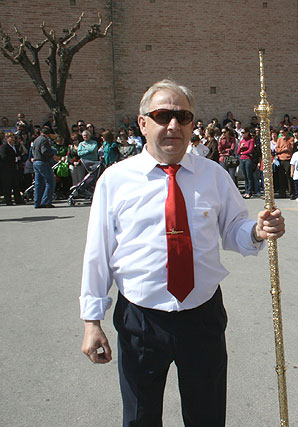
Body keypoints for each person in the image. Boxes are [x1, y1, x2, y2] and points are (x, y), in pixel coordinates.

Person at [79, 79, 285, 427]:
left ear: (193, 124)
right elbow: (98, 252)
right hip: (141, 320)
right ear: (143, 123)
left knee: (206, 417)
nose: (173, 125)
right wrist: (91, 320)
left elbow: (234, 229)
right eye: (162, 115)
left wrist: (256, 229)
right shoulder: (115, 181)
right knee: (140, 418)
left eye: (183, 116)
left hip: (201, 316)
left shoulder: (214, 176)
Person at [32, 126, 58, 209]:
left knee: (38, 183)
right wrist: (53, 156)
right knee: (50, 181)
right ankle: (46, 201)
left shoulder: (36, 140)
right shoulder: (44, 140)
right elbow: (45, 151)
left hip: (35, 161)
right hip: (42, 162)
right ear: (48, 134)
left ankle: (37, 202)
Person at [0, 132, 25, 205]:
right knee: (8, 185)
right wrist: (16, 159)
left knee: (16, 184)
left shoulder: (15, 146)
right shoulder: (4, 147)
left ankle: (18, 199)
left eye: (13, 137)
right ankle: (8, 200)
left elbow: (19, 154)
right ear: (7, 139)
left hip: (15, 168)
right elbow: (4, 157)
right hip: (7, 169)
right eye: (11, 137)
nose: (13, 139)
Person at [275, 127, 294, 198]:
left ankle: (291, 193)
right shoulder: (279, 139)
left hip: (288, 159)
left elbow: (290, 149)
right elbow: (277, 149)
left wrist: (286, 143)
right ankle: (282, 193)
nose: (281, 134)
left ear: (286, 132)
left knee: (289, 177)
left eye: (283, 132)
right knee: (281, 177)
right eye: (280, 133)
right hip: (280, 159)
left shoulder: (291, 139)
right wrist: (283, 149)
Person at [237, 127, 256, 198]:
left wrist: (243, 152)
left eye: (243, 132)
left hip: (248, 159)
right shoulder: (242, 141)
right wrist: (241, 147)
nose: (242, 134)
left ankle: (249, 191)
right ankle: (246, 191)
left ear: (247, 133)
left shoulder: (251, 140)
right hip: (242, 159)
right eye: (241, 133)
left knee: (249, 176)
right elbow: (238, 152)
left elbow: (250, 150)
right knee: (245, 176)